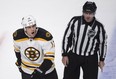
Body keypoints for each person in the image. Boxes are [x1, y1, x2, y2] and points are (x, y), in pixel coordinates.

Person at [62, 1, 107, 79]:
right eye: (86, 13)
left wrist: (102, 59)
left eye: (91, 13)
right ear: (83, 12)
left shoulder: (99, 26)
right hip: (74, 55)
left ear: (94, 13)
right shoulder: (75, 21)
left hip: (90, 57)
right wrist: (65, 54)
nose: (88, 15)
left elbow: (102, 43)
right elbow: (66, 37)